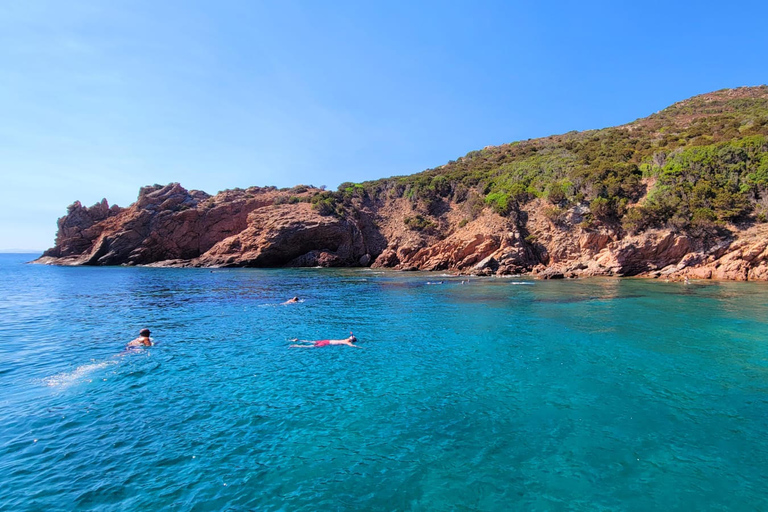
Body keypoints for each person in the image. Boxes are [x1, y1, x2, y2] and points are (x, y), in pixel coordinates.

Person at [290, 334, 360, 348]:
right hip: (327, 343)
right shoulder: (347, 342)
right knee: (310, 346)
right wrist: (362, 348)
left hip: (327, 341)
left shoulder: (346, 340)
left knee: (311, 342)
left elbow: (353, 345)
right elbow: (353, 346)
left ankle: (298, 340)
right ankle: (295, 345)